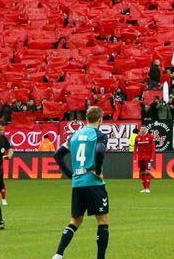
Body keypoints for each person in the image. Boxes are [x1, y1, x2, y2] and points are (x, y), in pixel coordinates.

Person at [51, 105, 109, 259]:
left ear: (86, 119)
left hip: (77, 183)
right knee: (103, 221)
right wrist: (98, 171)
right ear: (100, 119)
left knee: (75, 221)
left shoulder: (73, 136)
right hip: (94, 183)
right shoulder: (100, 135)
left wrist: (71, 175)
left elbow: (57, 155)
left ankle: (58, 254)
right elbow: (99, 151)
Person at [130, 123, 156, 193]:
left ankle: (147, 188)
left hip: (147, 157)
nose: (142, 130)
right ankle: (144, 188)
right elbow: (135, 148)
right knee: (141, 172)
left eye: (144, 129)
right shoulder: (137, 137)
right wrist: (135, 158)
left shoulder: (150, 137)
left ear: (146, 130)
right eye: (141, 129)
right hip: (140, 157)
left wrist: (152, 157)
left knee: (147, 171)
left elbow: (153, 148)